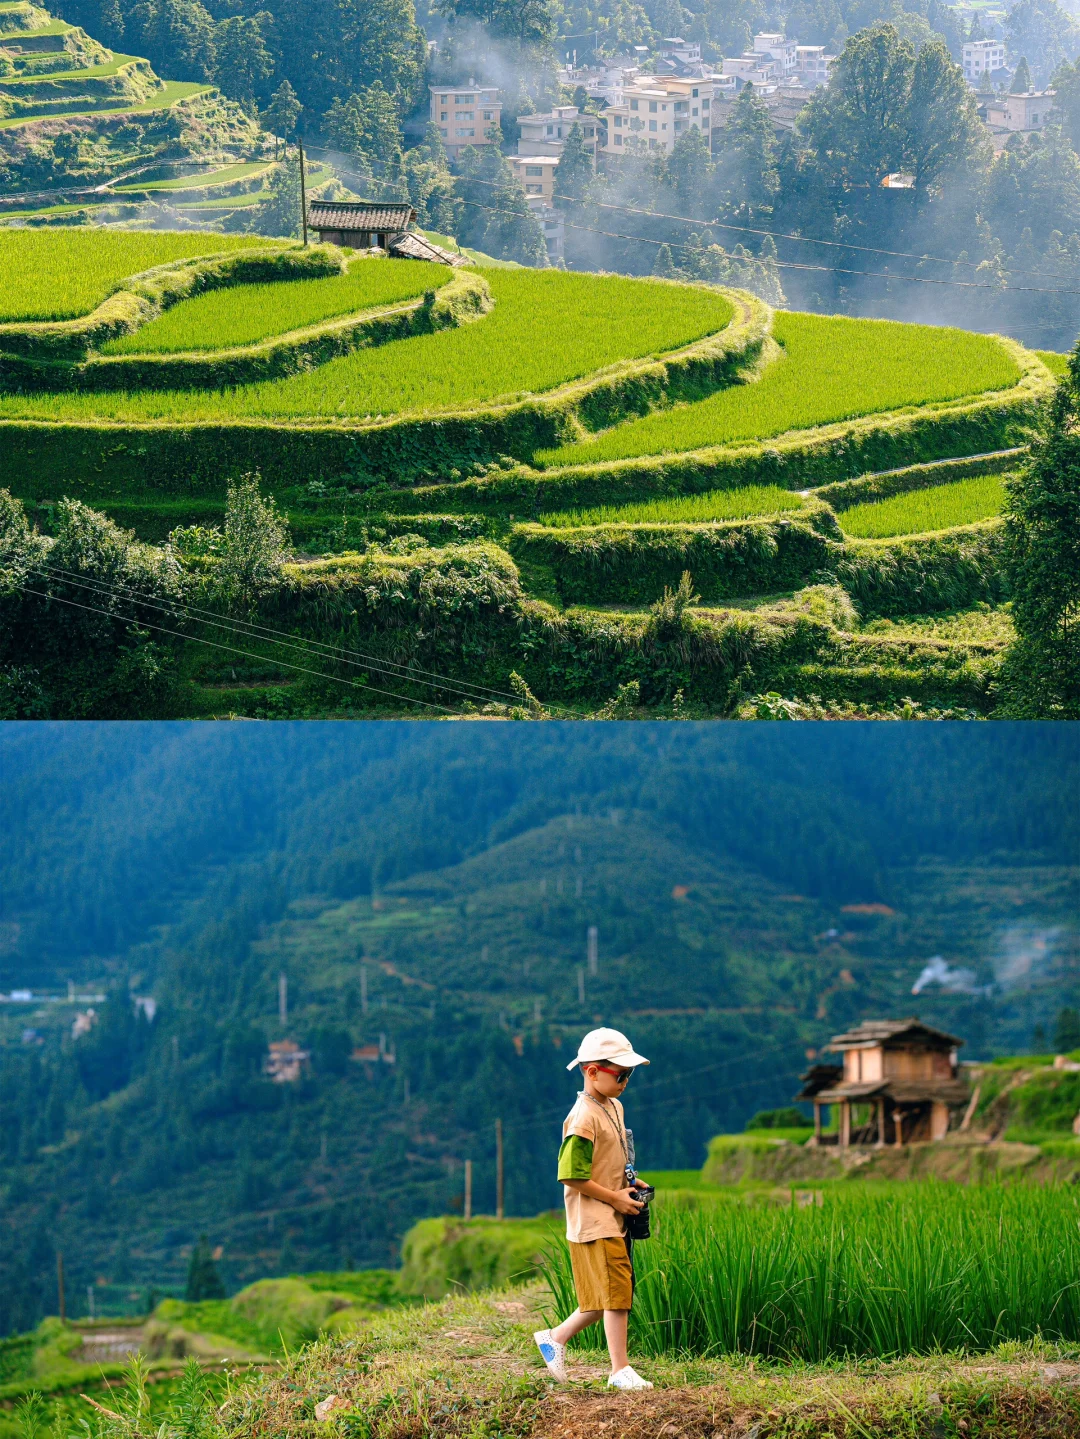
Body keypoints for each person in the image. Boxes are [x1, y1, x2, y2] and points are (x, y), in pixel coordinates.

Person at [533, 1027, 653, 1390]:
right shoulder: (582, 1118)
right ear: (592, 1071)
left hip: (613, 1213)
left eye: (629, 1074)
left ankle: (555, 1337)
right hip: (595, 1218)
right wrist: (615, 1198)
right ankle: (619, 1370)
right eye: (621, 1074)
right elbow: (570, 1175)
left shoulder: (614, 1105)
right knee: (617, 1292)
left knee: (607, 1293)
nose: (626, 1081)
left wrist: (631, 1183)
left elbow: (612, 1158)